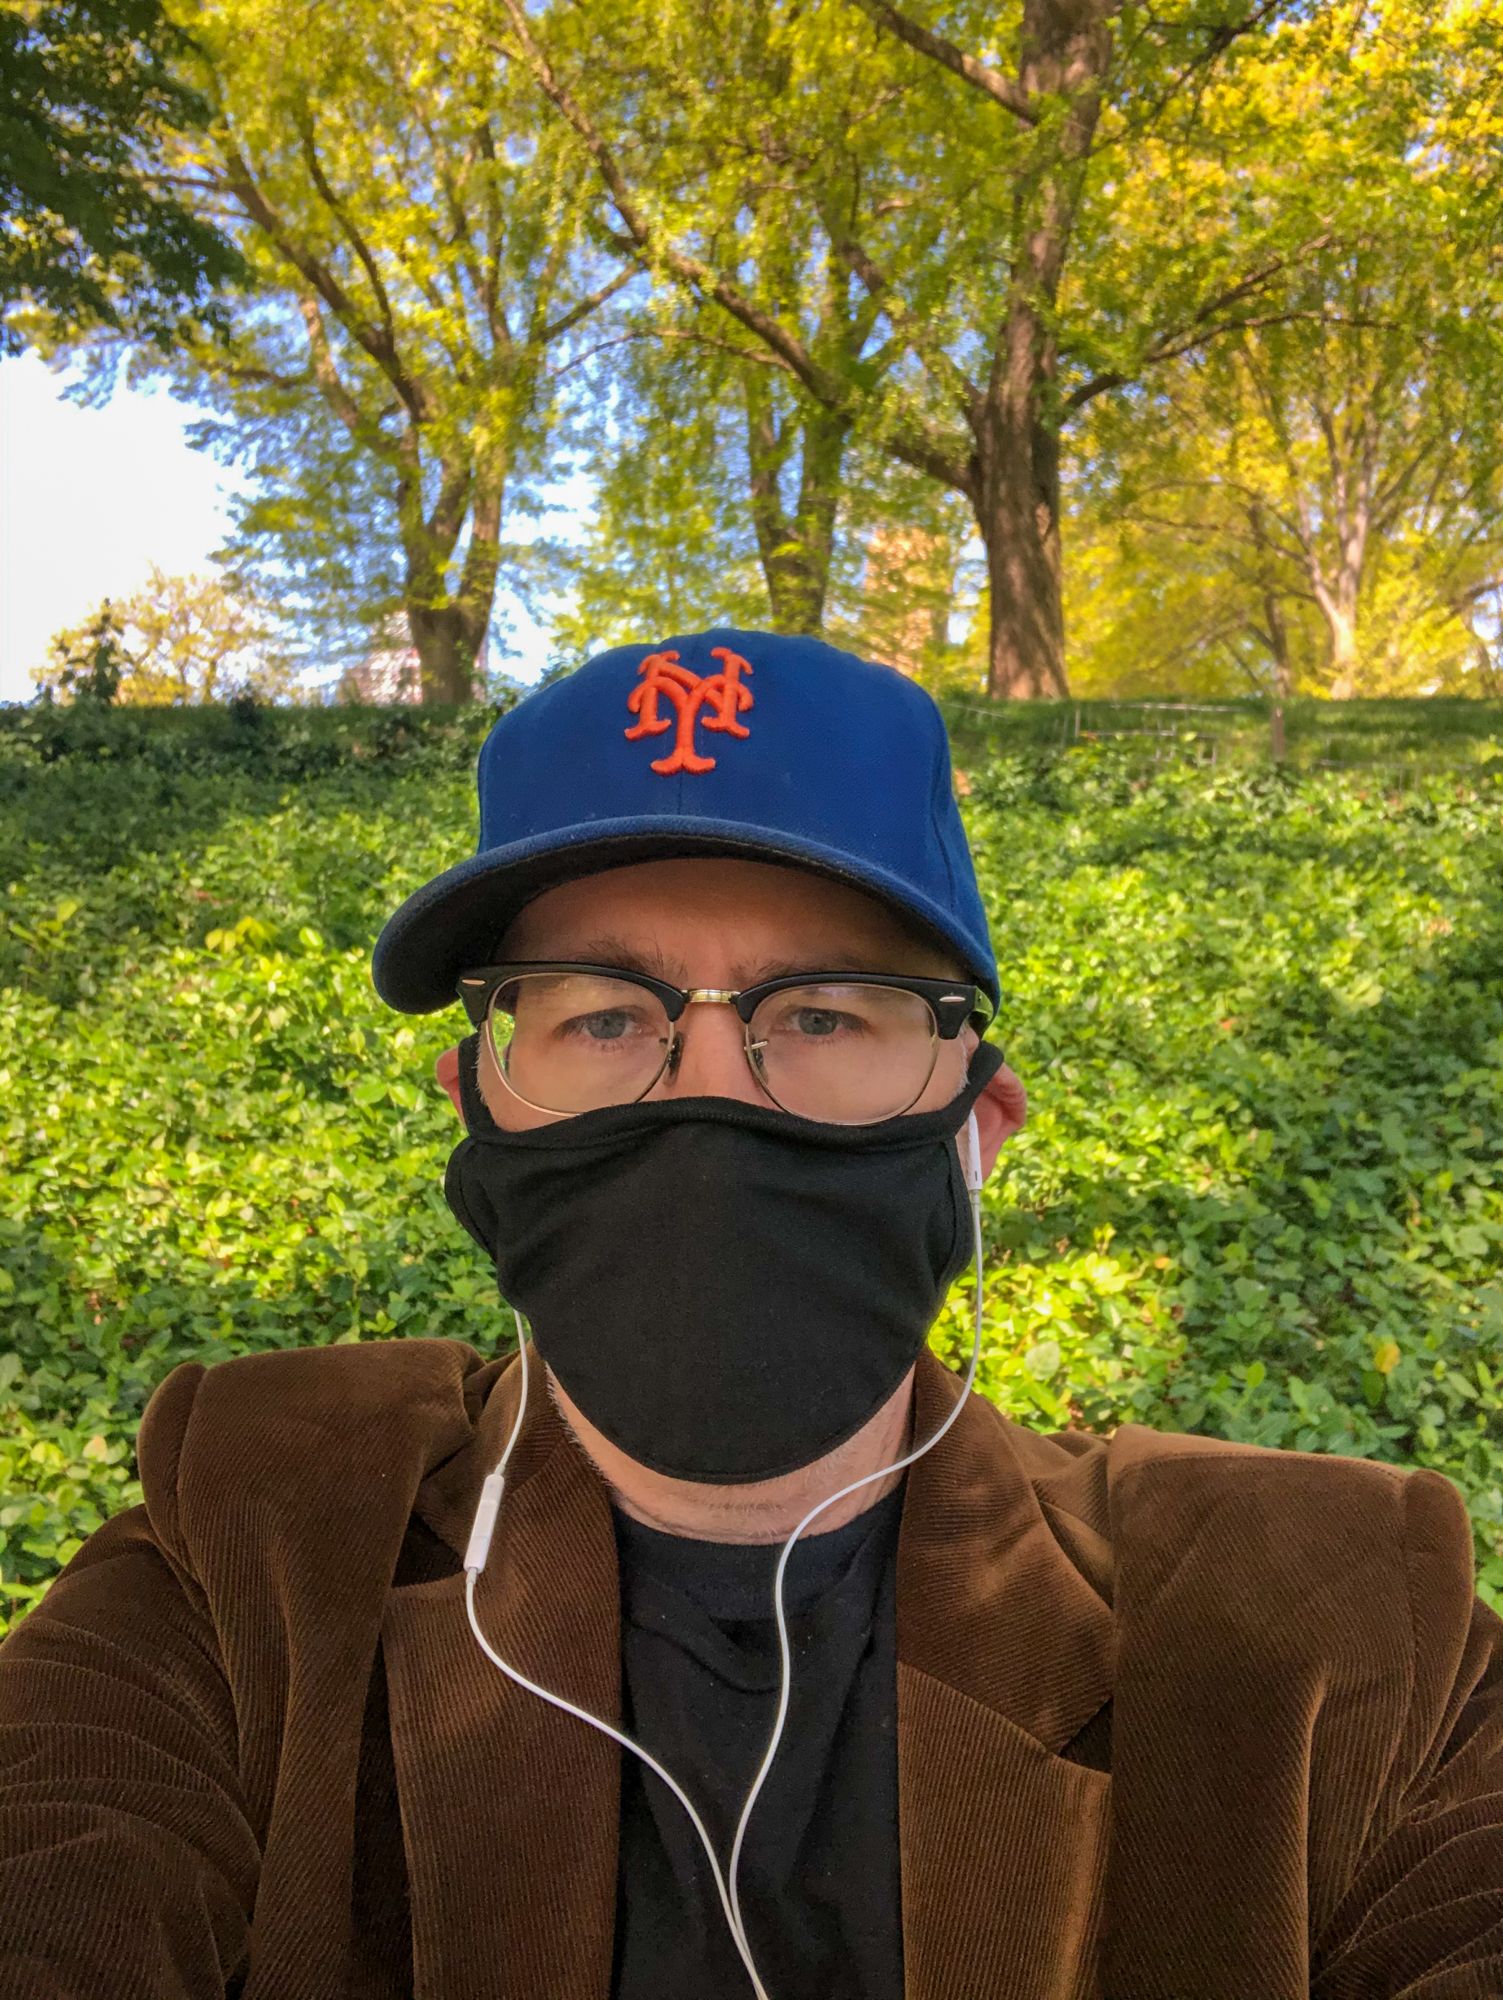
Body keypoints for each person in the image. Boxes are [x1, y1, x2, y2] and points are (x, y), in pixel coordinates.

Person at [0, 628, 1499, 2000]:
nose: (708, 1099)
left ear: (977, 1130)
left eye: (824, 1013)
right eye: (602, 1015)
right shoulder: (253, 1550)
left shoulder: (1331, 1631)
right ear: (479, 1110)